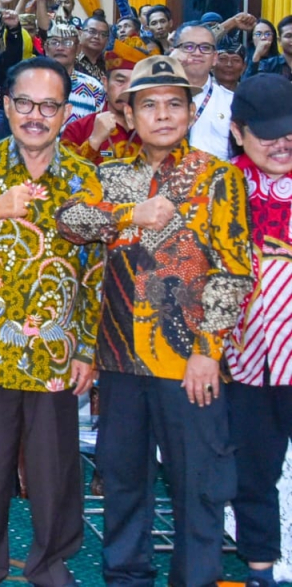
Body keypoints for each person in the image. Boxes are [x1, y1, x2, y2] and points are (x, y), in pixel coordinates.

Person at [57, 54, 253, 587]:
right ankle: (126, 577)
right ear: (129, 114)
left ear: (191, 112)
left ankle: (196, 578)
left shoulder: (219, 178)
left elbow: (234, 274)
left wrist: (208, 350)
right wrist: (129, 215)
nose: (162, 115)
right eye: (149, 105)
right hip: (119, 361)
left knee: (200, 486)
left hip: (187, 361)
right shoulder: (114, 175)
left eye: (173, 104)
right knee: (123, 483)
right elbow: (71, 221)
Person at [0, 56, 104, 587]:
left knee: (56, 473)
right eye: (25, 103)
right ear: (5, 105)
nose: (36, 115)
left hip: (55, 354)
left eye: (49, 105)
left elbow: (95, 273)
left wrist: (86, 349)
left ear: (63, 112)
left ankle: (50, 562)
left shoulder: (85, 179)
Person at [224, 74, 292, 587]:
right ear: (238, 132)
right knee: (255, 468)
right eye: (268, 133)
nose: (282, 144)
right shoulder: (220, 189)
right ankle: (260, 567)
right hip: (245, 357)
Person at [60, 37, 153, 165]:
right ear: (105, 83)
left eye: (135, 82)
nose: (127, 89)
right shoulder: (78, 129)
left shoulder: (155, 128)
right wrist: (94, 141)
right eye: (120, 81)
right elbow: (64, 175)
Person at [170, 21, 234, 160]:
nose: (197, 53)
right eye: (189, 47)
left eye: (205, 47)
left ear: (215, 58)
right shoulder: (157, 97)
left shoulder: (231, 102)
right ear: (174, 52)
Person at [43, 22, 106, 125]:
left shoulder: (94, 88)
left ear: (78, 49)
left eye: (67, 43)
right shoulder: (34, 83)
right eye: (54, 42)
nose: (60, 48)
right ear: (46, 48)